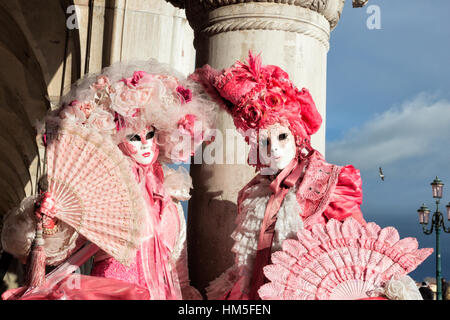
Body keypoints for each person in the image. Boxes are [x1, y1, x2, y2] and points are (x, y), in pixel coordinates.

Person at [1, 61, 218, 300]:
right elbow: (61, 250)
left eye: (150, 134)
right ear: (117, 139)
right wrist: (49, 222)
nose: (145, 143)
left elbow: (179, 272)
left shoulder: (170, 201)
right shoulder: (105, 194)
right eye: (134, 137)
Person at [191, 52, 366, 300]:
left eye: (281, 137)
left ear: (296, 135)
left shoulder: (327, 182)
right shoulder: (253, 193)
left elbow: (358, 243)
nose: (273, 148)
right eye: (264, 142)